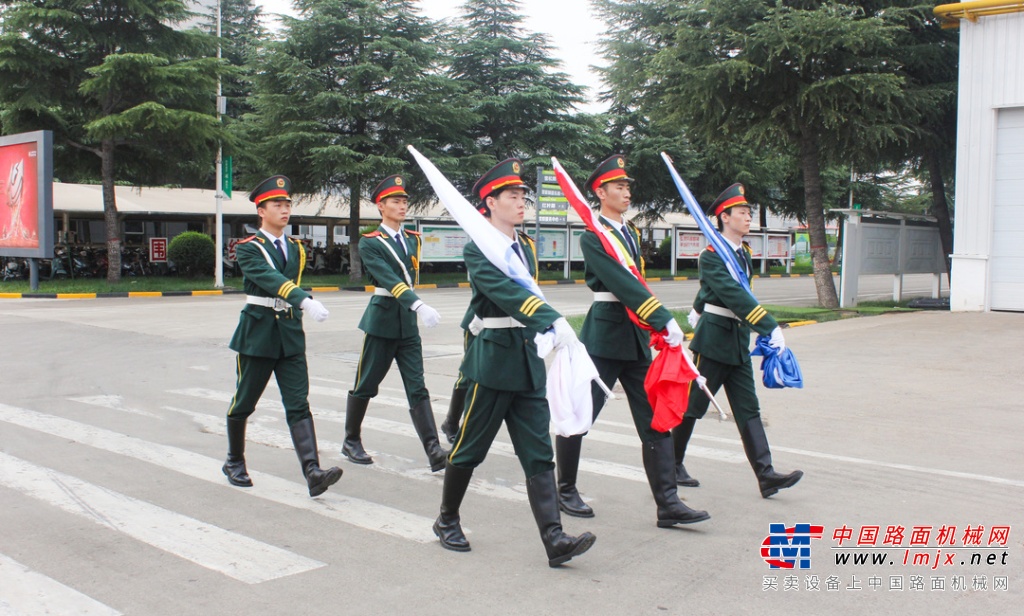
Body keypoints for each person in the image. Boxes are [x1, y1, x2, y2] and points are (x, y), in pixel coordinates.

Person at [433, 159, 595, 567]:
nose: (522, 201)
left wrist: (546, 330)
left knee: (539, 454)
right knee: (470, 448)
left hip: (526, 361)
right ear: (489, 203)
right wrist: (550, 319)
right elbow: (505, 292)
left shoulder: (523, 247)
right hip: (493, 363)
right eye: (512, 196)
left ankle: (554, 538)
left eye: (524, 195)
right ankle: (446, 519)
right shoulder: (478, 248)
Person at [557, 154, 710, 528]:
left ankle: (668, 503)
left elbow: (638, 284)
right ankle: (564, 489)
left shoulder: (630, 233)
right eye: (619, 187)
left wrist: (653, 325)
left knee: (655, 420)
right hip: (605, 337)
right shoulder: (593, 236)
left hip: (636, 339)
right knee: (581, 415)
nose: (626, 193)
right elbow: (621, 283)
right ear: (600, 191)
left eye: (628, 187)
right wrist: (661, 317)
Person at [672, 183, 803, 498]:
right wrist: (768, 325)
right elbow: (731, 293)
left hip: (737, 342)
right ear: (724, 217)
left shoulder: (742, 253)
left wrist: (698, 304)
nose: (748, 217)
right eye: (742, 213)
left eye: (748, 212)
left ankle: (766, 474)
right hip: (714, 341)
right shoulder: (712, 255)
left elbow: (726, 289)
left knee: (748, 408)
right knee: (694, 405)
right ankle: (671, 465)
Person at [222, 175, 343, 497]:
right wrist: (304, 300)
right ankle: (234, 460)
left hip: (288, 332)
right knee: (244, 401)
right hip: (258, 332)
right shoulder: (248, 248)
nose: (285, 209)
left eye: (288, 204)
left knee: (298, 403)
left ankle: (312, 471)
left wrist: (299, 303)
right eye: (277, 204)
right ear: (261, 211)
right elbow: (268, 277)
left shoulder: (295, 248)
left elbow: (288, 281)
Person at [341, 174, 447, 472]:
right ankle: (351, 440)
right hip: (383, 320)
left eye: (404, 201)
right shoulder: (370, 243)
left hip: (407, 325)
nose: (402, 206)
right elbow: (388, 278)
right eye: (395, 201)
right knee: (367, 383)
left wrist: (414, 306)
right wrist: (417, 303)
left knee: (418, 386)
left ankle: (433, 449)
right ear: (381, 206)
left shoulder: (412, 239)